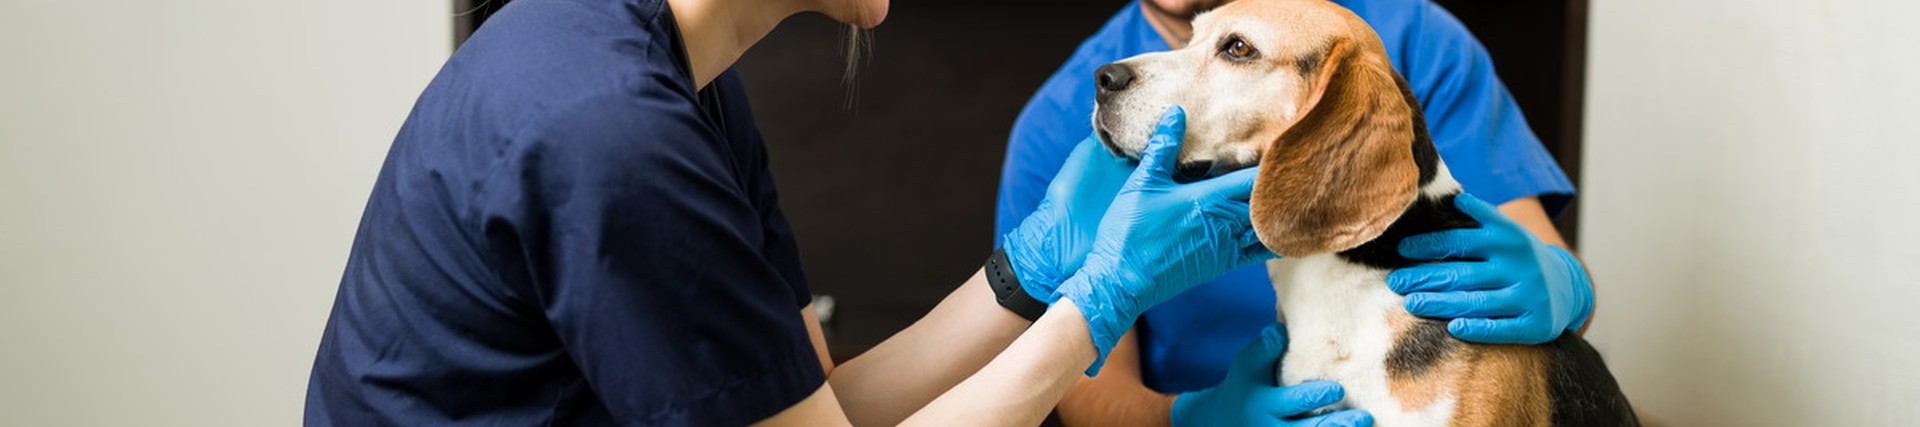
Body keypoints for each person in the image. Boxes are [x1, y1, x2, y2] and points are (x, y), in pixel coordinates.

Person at [302, 0, 1371, 425]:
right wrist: (1097, 304)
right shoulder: (614, 135)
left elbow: (807, 408)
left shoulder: (679, 78)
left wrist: (1033, 267)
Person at [993, 0, 1595, 425]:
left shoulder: (1409, 34)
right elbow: (1072, 393)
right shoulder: (1067, 111)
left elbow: (1550, 269)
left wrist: (1565, 284)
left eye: (1235, 49)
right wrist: (1196, 420)